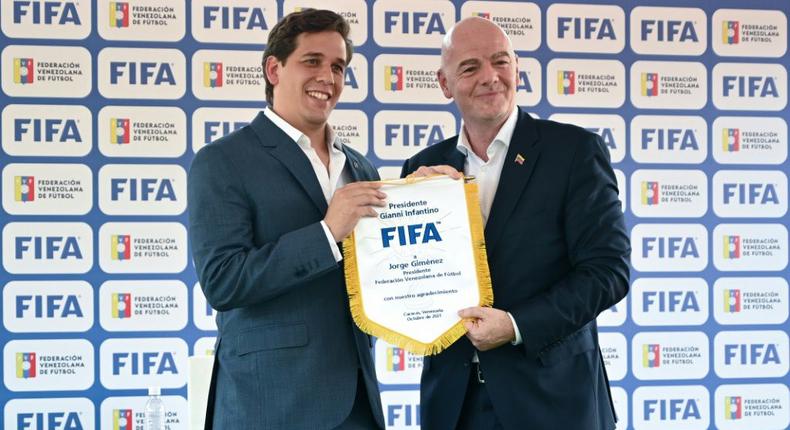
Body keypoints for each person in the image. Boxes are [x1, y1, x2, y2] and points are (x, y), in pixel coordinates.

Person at [400, 17, 630, 430]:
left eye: (500, 61)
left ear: (517, 67)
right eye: (470, 67)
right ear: (445, 83)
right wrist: (410, 212)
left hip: (552, 402)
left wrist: (516, 325)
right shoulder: (421, 169)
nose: (490, 77)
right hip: (453, 404)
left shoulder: (573, 151)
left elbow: (608, 272)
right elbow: (406, 284)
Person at [188, 9, 385, 430]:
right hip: (272, 405)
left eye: (338, 66)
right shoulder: (223, 161)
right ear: (274, 69)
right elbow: (223, 281)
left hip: (358, 402)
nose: (327, 77)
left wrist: (434, 199)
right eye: (312, 61)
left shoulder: (360, 168)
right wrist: (327, 234)